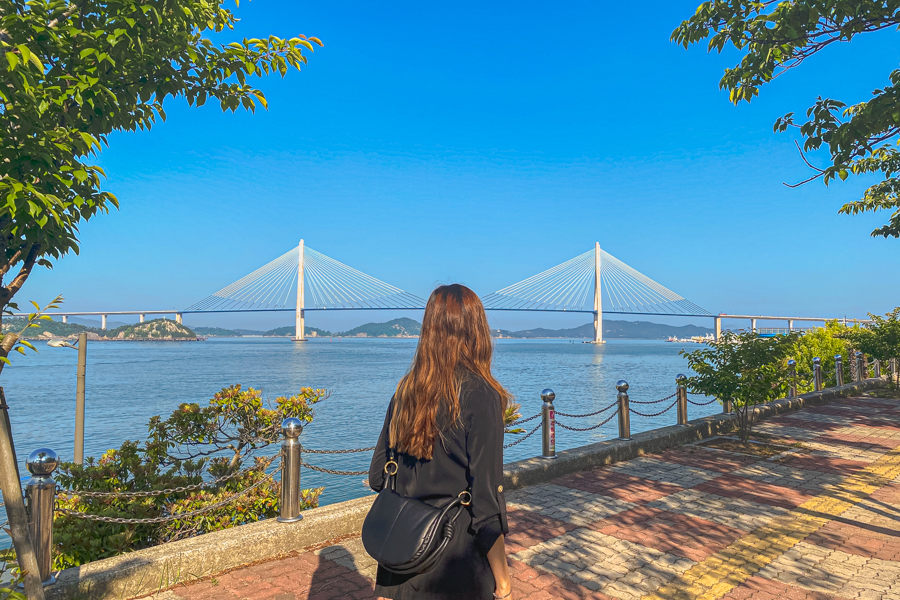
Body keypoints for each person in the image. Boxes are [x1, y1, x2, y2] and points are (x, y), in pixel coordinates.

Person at [368, 284, 513, 600]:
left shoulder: (406, 391)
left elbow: (377, 476)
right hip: (453, 566)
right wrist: (503, 579)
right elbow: (486, 505)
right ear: (476, 331)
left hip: (399, 559)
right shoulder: (481, 396)